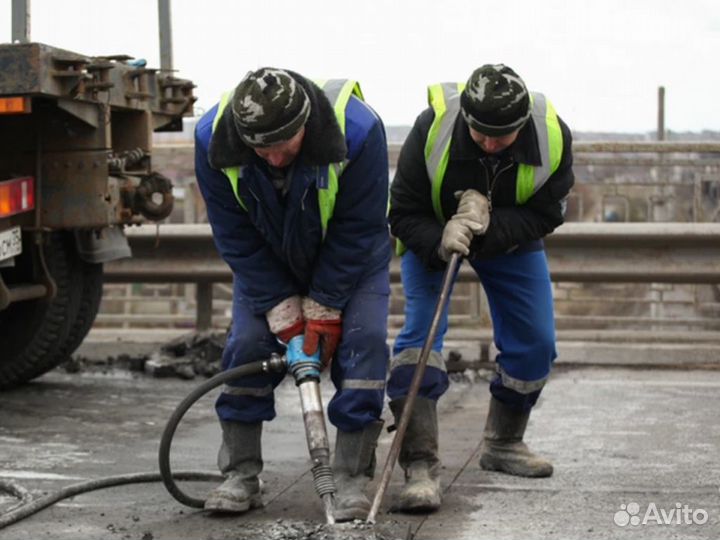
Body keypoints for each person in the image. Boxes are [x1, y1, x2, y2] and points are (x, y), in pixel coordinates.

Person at [194, 68, 392, 521]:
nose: (275, 159)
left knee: (362, 346)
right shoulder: (212, 139)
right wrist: (281, 309)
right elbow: (234, 234)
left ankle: (350, 477)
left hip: (351, 261)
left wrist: (324, 308)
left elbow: (359, 226)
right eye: (262, 149)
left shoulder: (359, 130)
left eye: (284, 145)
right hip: (268, 259)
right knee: (246, 347)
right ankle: (241, 473)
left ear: (305, 124)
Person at [388, 64, 574, 512]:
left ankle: (503, 444)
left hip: (510, 236)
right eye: (480, 134)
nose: (490, 144)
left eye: (501, 137)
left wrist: (489, 229)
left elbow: (549, 212)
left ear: (522, 124)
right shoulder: (431, 129)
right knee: (421, 338)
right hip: (431, 234)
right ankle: (419, 465)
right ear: (467, 119)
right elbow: (402, 211)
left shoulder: (552, 137)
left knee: (535, 343)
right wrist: (441, 239)